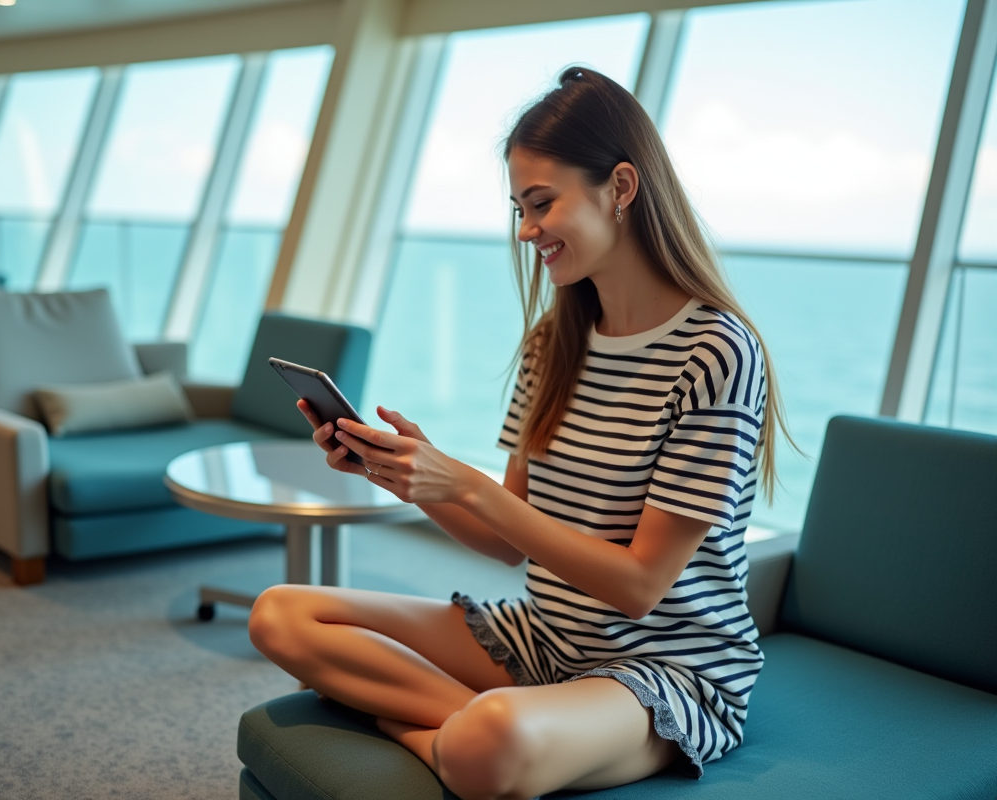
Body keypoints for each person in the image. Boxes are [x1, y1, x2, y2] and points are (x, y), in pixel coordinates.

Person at [248, 66, 793, 800]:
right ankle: (476, 732)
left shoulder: (716, 352)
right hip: (545, 637)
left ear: (621, 187)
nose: (527, 230)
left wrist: (466, 483)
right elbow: (510, 542)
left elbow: (639, 586)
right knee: (282, 614)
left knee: (487, 739)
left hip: (665, 672)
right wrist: (406, 476)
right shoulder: (552, 344)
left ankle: (441, 730)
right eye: (519, 208)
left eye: (542, 204)